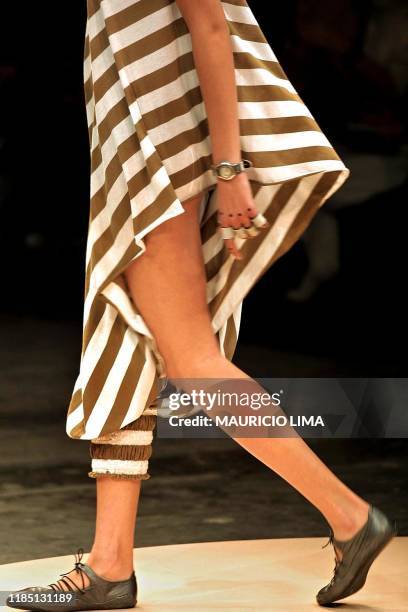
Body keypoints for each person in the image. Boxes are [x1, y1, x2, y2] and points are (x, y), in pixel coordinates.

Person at [6, 1, 395, 609]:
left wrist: (230, 166)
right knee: (126, 345)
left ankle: (348, 514)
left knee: (191, 360)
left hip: (160, 160)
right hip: (138, 157)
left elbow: (212, 26)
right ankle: (110, 566)